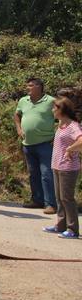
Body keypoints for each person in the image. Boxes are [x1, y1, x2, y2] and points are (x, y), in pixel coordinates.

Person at [15, 77, 58, 215]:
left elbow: (63, 117)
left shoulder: (51, 101)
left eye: (30, 85)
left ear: (39, 86)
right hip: (28, 143)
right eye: (27, 85)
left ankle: (50, 204)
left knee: (47, 174)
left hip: (45, 143)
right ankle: (37, 200)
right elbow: (17, 115)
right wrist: (19, 129)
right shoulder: (23, 100)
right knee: (33, 173)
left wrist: (58, 136)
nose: (27, 88)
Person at [45, 92, 82, 239]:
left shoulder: (73, 126)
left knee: (67, 198)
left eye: (55, 108)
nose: (53, 110)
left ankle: (73, 229)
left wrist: (69, 149)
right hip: (57, 165)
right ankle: (60, 225)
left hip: (68, 168)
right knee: (59, 198)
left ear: (62, 109)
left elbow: (80, 140)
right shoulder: (61, 125)